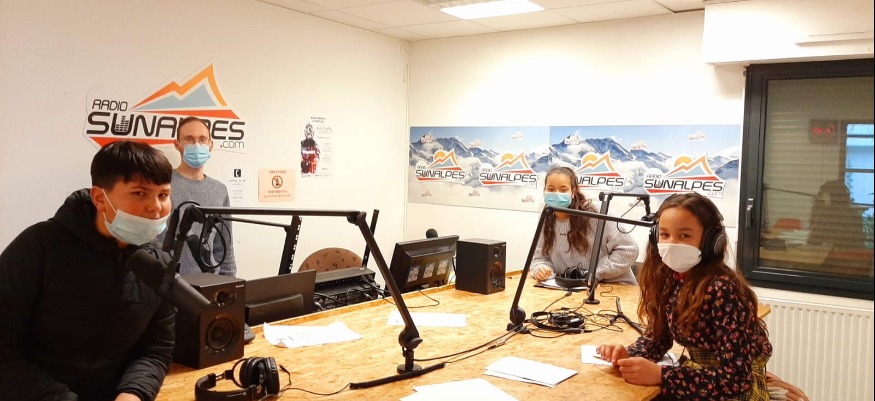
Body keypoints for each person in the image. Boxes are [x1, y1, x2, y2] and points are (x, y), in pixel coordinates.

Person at [0, 140, 176, 401]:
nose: (156, 207)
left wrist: (134, 393)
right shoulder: (37, 247)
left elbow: (156, 348)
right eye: (140, 193)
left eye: (163, 195)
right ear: (99, 198)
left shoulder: (157, 263)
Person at [597, 192, 773, 401]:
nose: (672, 243)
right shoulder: (669, 278)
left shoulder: (723, 289)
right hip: (701, 378)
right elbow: (657, 339)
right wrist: (628, 355)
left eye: (684, 236)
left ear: (711, 242)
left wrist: (662, 375)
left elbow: (737, 379)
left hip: (735, 391)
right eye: (664, 234)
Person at [529, 166, 638, 284]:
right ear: (544, 191)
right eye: (551, 189)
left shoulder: (595, 212)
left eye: (563, 189)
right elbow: (539, 258)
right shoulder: (546, 215)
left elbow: (629, 250)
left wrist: (594, 274)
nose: (556, 194)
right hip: (572, 288)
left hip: (614, 285)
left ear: (573, 192)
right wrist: (541, 269)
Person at [165, 116, 237, 277]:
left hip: (208, 282)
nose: (196, 145)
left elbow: (224, 244)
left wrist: (229, 280)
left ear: (210, 145)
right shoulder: (162, 185)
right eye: (189, 139)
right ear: (177, 144)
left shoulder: (219, 190)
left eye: (202, 139)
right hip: (168, 282)